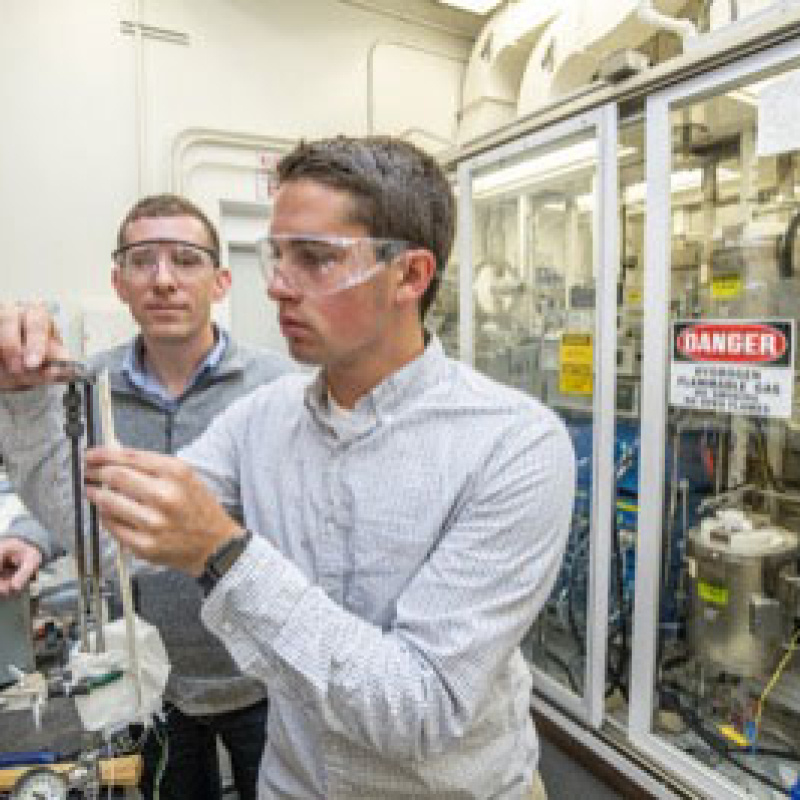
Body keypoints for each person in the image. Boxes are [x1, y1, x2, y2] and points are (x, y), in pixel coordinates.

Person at [0, 136, 574, 800]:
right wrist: (24, 401)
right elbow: (109, 538)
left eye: (315, 259)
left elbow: (422, 707)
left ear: (409, 276)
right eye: (278, 256)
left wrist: (223, 553)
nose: (275, 283)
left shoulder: (515, 446)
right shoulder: (262, 419)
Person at [0, 195, 291, 800]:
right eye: (142, 262)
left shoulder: (277, 388)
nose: (163, 280)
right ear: (118, 281)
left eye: (185, 260)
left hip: (264, 677)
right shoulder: (83, 385)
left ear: (221, 280)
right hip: (153, 678)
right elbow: (77, 501)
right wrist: (30, 536)